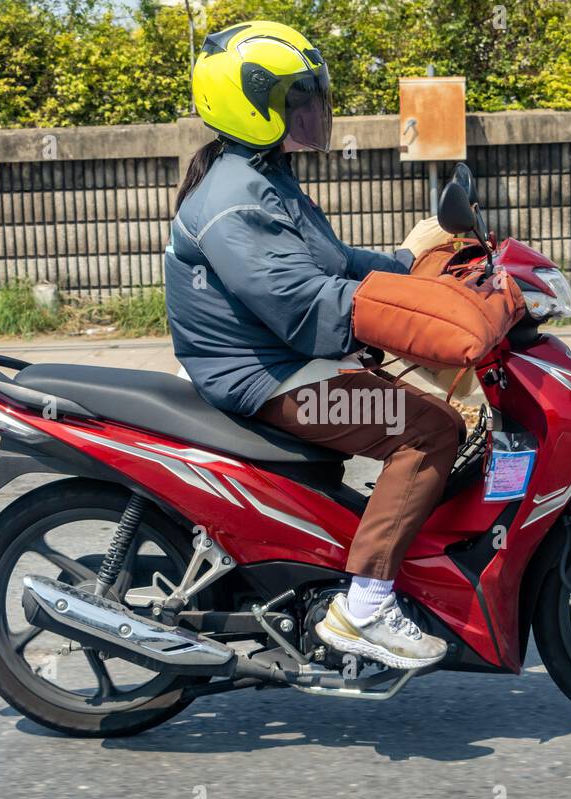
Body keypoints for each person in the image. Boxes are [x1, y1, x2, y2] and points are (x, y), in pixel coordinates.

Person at [164, 20, 465, 670]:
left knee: (428, 402)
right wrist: (415, 320)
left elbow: (332, 261)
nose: (311, 112)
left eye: (310, 98)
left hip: (284, 363)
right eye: (294, 101)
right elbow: (308, 307)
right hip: (274, 381)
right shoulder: (236, 200)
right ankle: (365, 608)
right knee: (432, 430)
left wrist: (410, 259)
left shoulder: (260, 175)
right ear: (249, 106)